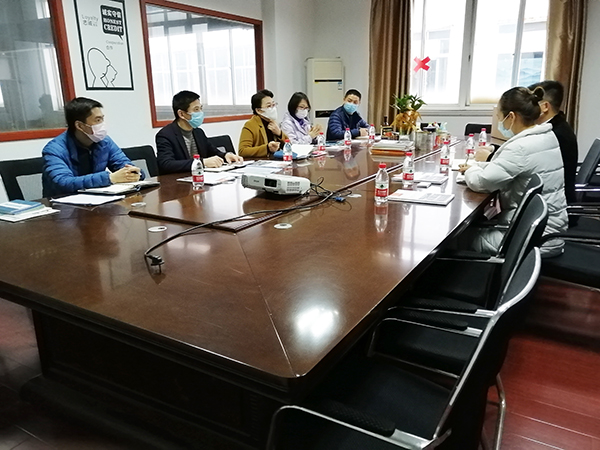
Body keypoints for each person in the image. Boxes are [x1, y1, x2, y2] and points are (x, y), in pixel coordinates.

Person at [460, 86, 568, 257]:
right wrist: (480, 166)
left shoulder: (520, 147)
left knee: (458, 238)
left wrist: (472, 169)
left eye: (499, 117)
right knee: (474, 225)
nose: (499, 122)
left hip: (532, 237)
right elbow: (507, 168)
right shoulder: (545, 136)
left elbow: (481, 183)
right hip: (547, 228)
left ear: (511, 116)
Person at [42, 97, 143, 198]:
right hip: (63, 203)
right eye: (98, 120)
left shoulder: (105, 142)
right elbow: (63, 183)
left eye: (102, 119)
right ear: (80, 126)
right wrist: (110, 178)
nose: (102, 124)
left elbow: (125, 165)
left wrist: (134, 173)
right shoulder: (54, 149)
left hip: (97, 200)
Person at [156, 91, 243, 174]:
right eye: (196, 109)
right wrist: (201, 162)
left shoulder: (198, 132)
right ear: (181, 114)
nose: (200, 113)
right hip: (178, 181)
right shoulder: (165, 135)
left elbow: (212, 151)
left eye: (201, 108)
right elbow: (166, 164)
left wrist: (225, 155)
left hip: (202, 178)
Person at [528, 80, 578, 207]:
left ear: (545, 106)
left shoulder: (555, 134)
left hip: (555, 204)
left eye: (532, 104)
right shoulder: (557, 125)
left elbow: (527, 161)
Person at [238, 89, 287, 158]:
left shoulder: (272, 122)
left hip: (276, 160)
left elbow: (289, 146)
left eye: (273, 105)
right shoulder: (250, 125)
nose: (273, 108)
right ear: (258, 110)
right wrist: (267, 148)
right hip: (261, 162)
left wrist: (280, 134)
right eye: (269, 106)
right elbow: (242, 151)